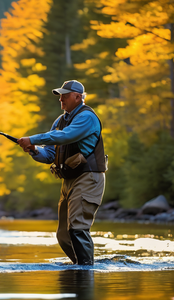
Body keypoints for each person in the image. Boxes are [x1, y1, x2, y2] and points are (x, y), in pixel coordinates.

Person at [17, 80, 107, 265]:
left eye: (65, 95)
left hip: (88, 177)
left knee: (77, 228)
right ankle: (81, 266)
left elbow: (66, 136)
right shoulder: (60, 120)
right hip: (69, 180)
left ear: (78, 97)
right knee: (63, 235)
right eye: (60, 95)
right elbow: (50, 154)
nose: (61, 99)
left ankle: (86, 272)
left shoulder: (86, 117)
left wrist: (32, 138)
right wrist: (34, 149)